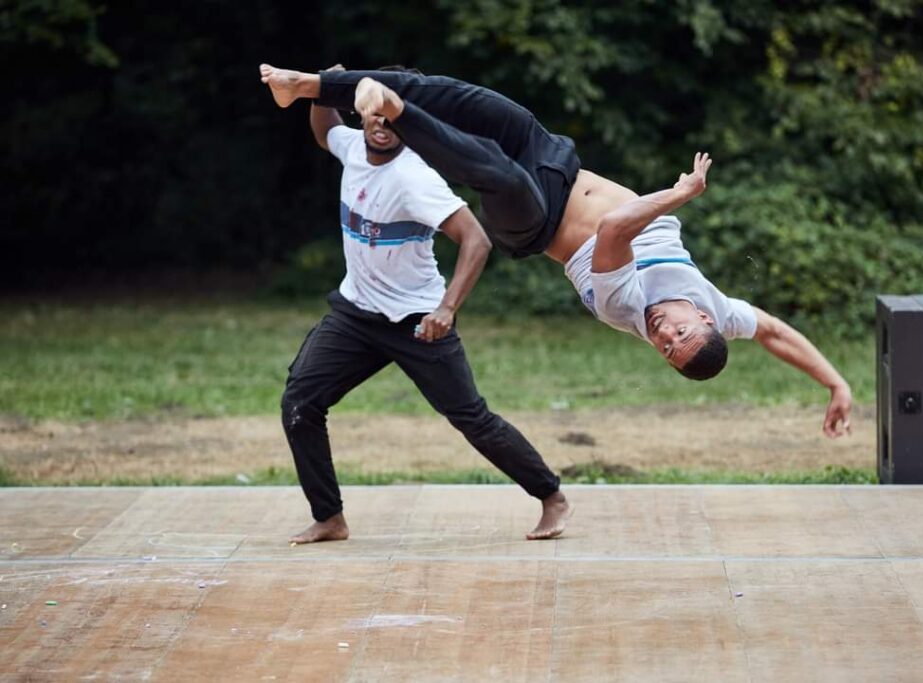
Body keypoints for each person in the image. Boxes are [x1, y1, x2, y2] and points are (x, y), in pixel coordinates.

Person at [260, 64, 853, 439]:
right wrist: (836, 385)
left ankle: (396, 112)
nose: (665, 336)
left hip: (535, 222)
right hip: (556, 161)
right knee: (466, 98)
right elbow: (775, 332)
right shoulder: (721, 312)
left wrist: (679, 194)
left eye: (667, 351)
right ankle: (310, 85)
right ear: (703, 316)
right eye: (678, 333)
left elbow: (618, 227)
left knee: (495, 175)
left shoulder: (625, 309)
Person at [279, 68, 571, 544]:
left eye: (391, 118)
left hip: (418, 321)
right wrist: (324, 87)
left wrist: (446, 309)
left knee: (470, 417)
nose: (380, 125)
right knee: (300, 403)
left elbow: (476, 241)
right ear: (363, 112)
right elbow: (326, 130)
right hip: (356, 314)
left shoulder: (415, 178)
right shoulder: (354, 147)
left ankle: (551, 496)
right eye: (372, 115)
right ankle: (329, 517)